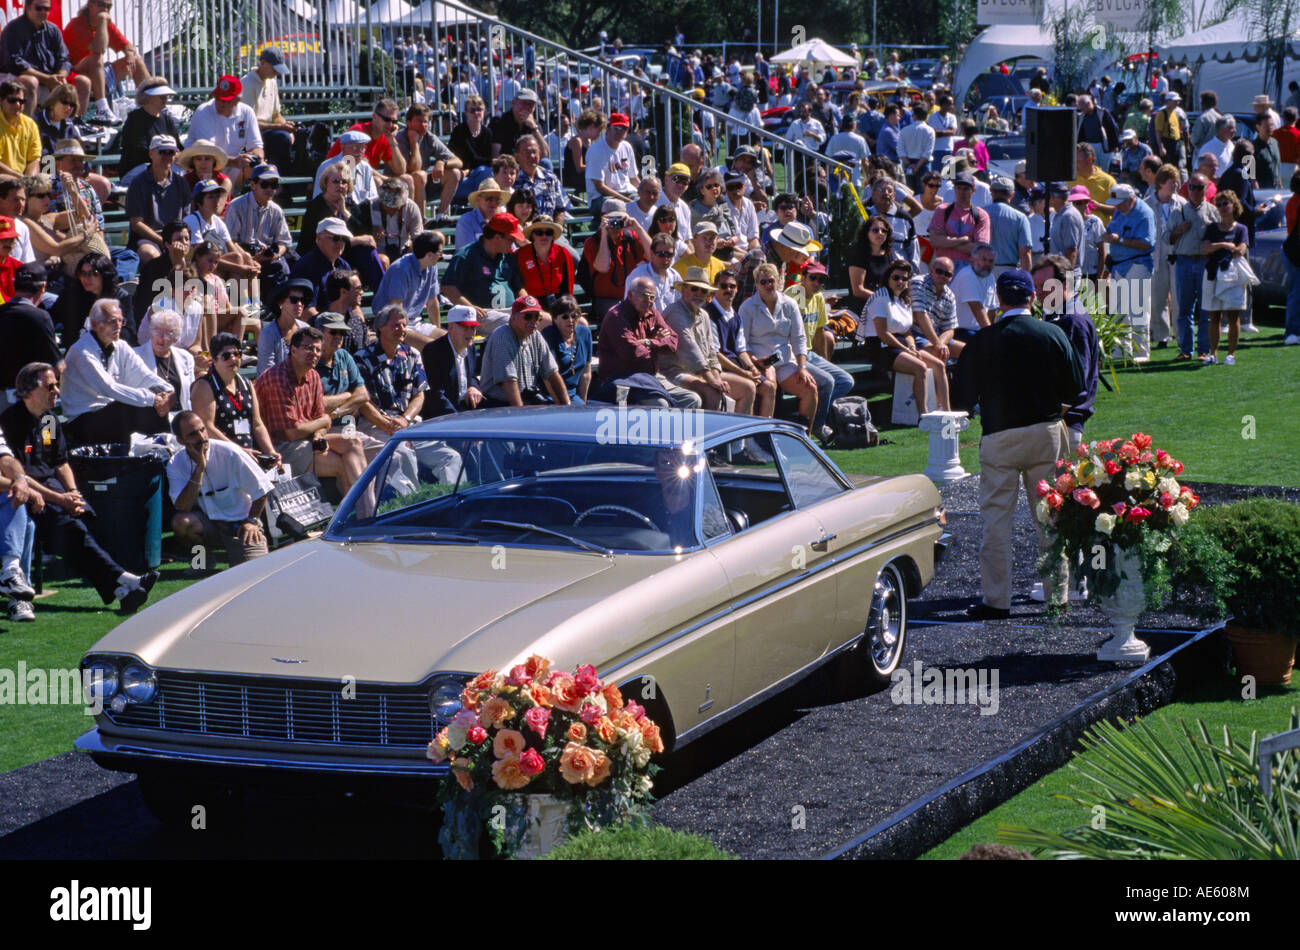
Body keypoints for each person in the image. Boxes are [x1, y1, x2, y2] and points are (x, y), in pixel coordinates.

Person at [952, 269, 1084, 619]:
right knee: (1051, 518)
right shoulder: (1053, 333)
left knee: (996, 521)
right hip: (1045, 433)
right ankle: (1058, 594)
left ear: (999, 297)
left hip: (999, 436)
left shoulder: (981, 341)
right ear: (1031, 297)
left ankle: (997, 600)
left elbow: (961, 398)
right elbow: (1075, 389)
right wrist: (1052, 413)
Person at [2, 360, 159, 613]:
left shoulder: (49, 421)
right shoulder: (11, 422)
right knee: (69, 527)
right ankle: (124, 580)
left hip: (53, 489)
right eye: (49, 386)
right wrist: (60, 499)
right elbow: (21, 476)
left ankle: (120, 589)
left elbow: (60, 462)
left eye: (57, 385)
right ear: (29, 391)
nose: (57, 391)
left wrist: (73, 493)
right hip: (30, 495)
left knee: (86, 517)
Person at [254, 326, 366, 490]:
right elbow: (292, 433)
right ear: (293, 350)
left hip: (305, 441)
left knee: (353, 442)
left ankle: (368, 510)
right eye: (308, 348)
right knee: (340, 464)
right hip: (278, 450)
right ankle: (358, 513)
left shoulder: (313, 376)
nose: (314, 353)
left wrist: (319, 435)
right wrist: (325, 420)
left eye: (318, 350)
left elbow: (321, 421)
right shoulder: (277, 378)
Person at [168, 410, 271, 568]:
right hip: (209, 524)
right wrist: (199, 469)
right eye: (193, 434)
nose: (202, 437)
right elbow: (183, 506)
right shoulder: (176, 463)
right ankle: (203, 563)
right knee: (182, 523)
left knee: (253, 572)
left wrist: (251, 521)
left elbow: (262, 490)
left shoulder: (230, 453)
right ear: (181, 441)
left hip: (241, 525)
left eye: (202, 429)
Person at [62, 298, 172, 445]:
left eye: (121, 321)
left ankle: (162, 451)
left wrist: (168, 392)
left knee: (155, 398)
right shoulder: (81, 351)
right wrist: (153, 399)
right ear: (94, 324)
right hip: (82, 419)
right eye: (112, 321)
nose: (118, 326)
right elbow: (109, 388)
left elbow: (145, 375)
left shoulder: (121, 346)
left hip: (109, 412)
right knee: (132, 406)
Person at [594, 276, 701, 408]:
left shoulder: (652, 313)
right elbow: (633, 354)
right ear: (630, 295)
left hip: (650, 377)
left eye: (652, 297)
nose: (648, 301)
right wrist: (659, 342)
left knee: (692, 399)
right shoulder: (616, 316)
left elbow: (673, 342)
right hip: (622, 380)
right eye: (644, 295)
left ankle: (675, 429)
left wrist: (649, 342)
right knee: (660, 404)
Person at [660, 267, 755, 414]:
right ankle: (709, 436)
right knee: (712, 392)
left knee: (748, 387)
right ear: (684, 289)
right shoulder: (675, 312)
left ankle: (740, 437)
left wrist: (716, 376)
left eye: (703, 291)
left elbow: (711, 351)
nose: (699, 294)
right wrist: (712, 380)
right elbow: (690, 350)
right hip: (675, 372)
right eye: (694, 289)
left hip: (701, 372)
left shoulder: (704, 314)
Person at [863, 258, 950, 417]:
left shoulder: (904, 300)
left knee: (938, 365)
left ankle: (946, 411)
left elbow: (907, 332)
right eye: (896, 277)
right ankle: (923, 415)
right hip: (880, 347)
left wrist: (911, 347)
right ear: (888, 278)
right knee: (920, 367)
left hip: (900, 345)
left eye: (904, 278)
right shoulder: (880, 298)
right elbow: (883, 334)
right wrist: (907, 350)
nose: (900, 281)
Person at [1032, 254, 1099, 453]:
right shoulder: (1056, 314)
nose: (1039, 292)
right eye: (1036, 286)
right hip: (1057, 421)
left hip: (1063, 424)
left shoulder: (1072, 320)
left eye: (1045, 285)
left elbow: (1077, 378)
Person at [739, 262, 818, 429]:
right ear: (756, 285)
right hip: (759, 363)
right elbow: (742, 344)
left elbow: (799, 338)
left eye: (771, 281)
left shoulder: (789, 304)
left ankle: (805, 437)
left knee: (810, 388)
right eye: (763, 282)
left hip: (784, 362)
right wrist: (755, 361)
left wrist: (802, 367)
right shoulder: (747, 307)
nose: (768, 285)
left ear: (778, 282)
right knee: (769, 383)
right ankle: (763, 436)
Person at [191, 331, 280, 465]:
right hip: (221, 456)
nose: (233, 359)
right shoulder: (204, 386)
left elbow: (257, 424)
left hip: (249, 455)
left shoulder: (246, 383)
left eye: (237, 354)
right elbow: (207, 428)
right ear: (214, 360)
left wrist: (270, 451)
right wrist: (240, 451)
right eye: (226, 356)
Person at [786, 261, 853, 438]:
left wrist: (824, 361)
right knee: (828, 381)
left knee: (846, 381)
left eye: (821, 280)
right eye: (813, 278)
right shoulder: (793, 295)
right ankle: (817, 426)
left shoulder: (818, 298)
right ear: (803, 278)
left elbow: (819, 332)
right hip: (793, 354)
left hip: (810, 354)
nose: (817, 283)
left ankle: (816, 417)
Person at [0, 1, 91, 119]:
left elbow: (64, 59)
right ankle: (27, 130)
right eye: (39, 8)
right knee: (31, 81)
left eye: (47, 9)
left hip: (49, 81)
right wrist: (47, 79)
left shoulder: (53, 30)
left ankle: (73, 126)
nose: (43, 12)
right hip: (13, 80)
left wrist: (60, 77)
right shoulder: (13, 29)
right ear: (28, 8)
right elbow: (15, 63)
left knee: (84, 82)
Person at [62, 0, 147, 122]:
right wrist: (102, 21)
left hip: (98, 75)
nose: (105, 10)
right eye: (101, 5)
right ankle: (103, 109)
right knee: (96, 58)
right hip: (76, 76)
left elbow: (129, 46)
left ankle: (152, 101)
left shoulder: (106, 24)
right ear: (90, 5)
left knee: (137, 60)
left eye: (109, 6)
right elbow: (99, 49)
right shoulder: (77, 24)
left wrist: (129, 54)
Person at [478, 295, 570, 407]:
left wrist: (566, 406)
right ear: (513, 317)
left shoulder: (535, 335)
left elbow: (552, 373)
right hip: (498, 406)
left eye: (537, 317)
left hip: (526, 402)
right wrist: (522, 418)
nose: (533, 321)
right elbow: (509, 383)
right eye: (527, 316)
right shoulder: (502, 336)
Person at [354, 304, 429, 438]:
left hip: (408, 423)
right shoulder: (362, 358)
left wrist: (405, 419)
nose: (402, 330)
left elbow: (419, 395)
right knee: (403, 454)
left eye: (404, 325)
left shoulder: (413, 354)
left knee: (448, 455)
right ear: (381, 328)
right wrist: (386, 425)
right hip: (374, 424)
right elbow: (363, 402)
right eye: (396, 325)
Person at [441, 211, 525, 322]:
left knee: (545, 320)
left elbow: (518, 288)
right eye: (511, 239)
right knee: (514, 324)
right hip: (481, 314)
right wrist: (470, 307)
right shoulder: (466, 255)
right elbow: (448, 287)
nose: (513, 242)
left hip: (509, 312)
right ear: (497, 237)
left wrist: (526, 304)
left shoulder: (508, 256)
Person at [1105, 183, 1156, 362]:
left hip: (1138, 263)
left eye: (1120, 203)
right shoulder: (1120, 211)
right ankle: (1120, 349)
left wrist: (1121, 240)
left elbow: (1147, 243)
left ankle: (1142, 352)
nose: (1117, 206)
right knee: (1119, 310)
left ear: (1131, 199)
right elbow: (1112, 228)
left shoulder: (1145, 213)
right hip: (1119, 265)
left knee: (1138, 310)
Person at [184, 75, 264, 190]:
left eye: (226, 100)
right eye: (218, 98)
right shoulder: (204, 111)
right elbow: (206, 153)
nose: (220, 103)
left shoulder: (247, 112)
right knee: (205, 164)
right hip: (204, 165)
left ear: (238, 100)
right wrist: (236, 162)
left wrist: (256, 158)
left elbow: (256, 146)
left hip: (231, 165)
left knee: (261, 169)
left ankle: (260, 205)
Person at [224, 162, 294, 287]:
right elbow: (230, 241)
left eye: (273, 185)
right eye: (265, 184)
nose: (270, 189)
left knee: (283, 267)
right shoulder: (236, 206)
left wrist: (275, 255)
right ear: (252, 185)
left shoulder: (276, 210)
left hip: (267, 256)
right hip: (242, 255)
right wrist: (252, 259)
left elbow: (283, 242)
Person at [1201, 189, 1249, 366]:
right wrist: (1224, 244)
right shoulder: (1212, 228)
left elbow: (1241, 250)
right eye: (1219, 204)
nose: (1222, 207)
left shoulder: (1241, 228)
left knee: (1232, 316)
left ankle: (1231, 354)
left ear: (1234, 205)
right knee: (1214, 317)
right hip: (1212, 273)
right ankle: (1213, 354)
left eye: (1225, 204)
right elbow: (1205, 248)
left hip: (1232, 275)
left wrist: (1230, 247)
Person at [582, 198, 651, 321]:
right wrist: (604, 234)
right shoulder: (593, 242)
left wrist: (638, 228)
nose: (615, 224)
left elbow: (653, 256)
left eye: (620, 219)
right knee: (618, 318)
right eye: (612, 219)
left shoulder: (631, 238)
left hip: (631, 297)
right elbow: (603, 267)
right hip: (605, 300)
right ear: (603, 218)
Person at [123, 134, 189, 261]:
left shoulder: (181, 183)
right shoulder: (138, 183)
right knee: (150, 254)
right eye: (162, 152)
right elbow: (137, 224)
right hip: (147, 240)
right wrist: (163, 242)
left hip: (177, 238)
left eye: (171, 152)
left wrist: (179, 241)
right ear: (151, 154)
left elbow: (186, 219)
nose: (167, 156)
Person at [0, 261, 59, 397]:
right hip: (28, 398)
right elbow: (57, 366)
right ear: (43, 287)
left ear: (15, 286)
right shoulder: (40, 317)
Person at [0, 428, 37, 620]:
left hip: (39, 483)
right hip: (36, 487)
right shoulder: (15, 419)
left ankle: (17, 592)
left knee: (27, 524)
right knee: (15, 497)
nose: (55, 396)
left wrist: (20, 480)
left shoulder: (50, 422)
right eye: (50, 393)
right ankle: (12, 576)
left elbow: (5, 459)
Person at [374, 230, 443, 328]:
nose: (441, 256)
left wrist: (439, 333)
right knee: (429, 343)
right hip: (391, 324)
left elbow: (432, 302)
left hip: (414, 320)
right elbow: (396, 310)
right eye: (440, 253)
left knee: (447, 341)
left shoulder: (431, 265)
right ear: (429, 255)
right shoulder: (401, 269)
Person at [421, 305, 482, 417]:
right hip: (443, 413)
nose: (470, 332)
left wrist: (473, 387)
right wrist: (456, 418)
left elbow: (472, 375)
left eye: (473, 327)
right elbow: (436, 393)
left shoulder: (471, 347)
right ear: (450, 327)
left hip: (466, 408)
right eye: (465, 327)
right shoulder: (433, 350)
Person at [133, 308, 195, 418]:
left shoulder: (186, 358)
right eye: (157, 331)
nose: (161, 338)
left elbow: (190, 396)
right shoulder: (135, 356)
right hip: (148, 418)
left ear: (175, 338)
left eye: (168, 333)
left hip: (181, 419)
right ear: (151, 332)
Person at [241, 47, 294, 172]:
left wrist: (288, 127)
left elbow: (276, 115)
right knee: (282, 138)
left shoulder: (272, 82)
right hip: (253, 135)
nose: (277, 73)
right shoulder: (247, 83)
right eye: (274, 68)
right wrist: (281, 128)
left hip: (268, 131)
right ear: (263, 63)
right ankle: (278, 177)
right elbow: (250, 124)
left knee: (302, 134)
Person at [117, 77, 181, 178]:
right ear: (149, 97)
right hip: (138, 170)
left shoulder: (167, 119)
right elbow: (140, 152)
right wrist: (168, 156)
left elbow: (178, 146)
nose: (165, 99)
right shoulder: (135, 119)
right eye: (161, 96)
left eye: (166, 96)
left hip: (163, 164)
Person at [928, 171, 990, 272]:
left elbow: (980, 250)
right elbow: (934, 241)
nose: (961, 193)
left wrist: (946, 241)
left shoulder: (981, 215)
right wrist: (963, 239)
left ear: (973, 191)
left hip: (969, 270)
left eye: (965, 189)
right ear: (954, 189)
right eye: (958, 188)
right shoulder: (942, 210)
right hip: (942, 269)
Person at [539, 294, 593, 405]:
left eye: (574, 316)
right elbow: (547, 377)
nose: (571, 320)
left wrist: (582, 402)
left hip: (573, 396)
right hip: (550, 397)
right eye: (565, 317)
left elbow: (586, 373)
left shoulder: (584, 333)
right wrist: (562, 405)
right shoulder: (548, 334)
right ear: (555, 318)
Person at [257, 276, 312, 375]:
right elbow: (266, 372)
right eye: (294, 300)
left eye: (302, 300)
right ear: (280, 303)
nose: (299, 304)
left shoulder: (306, 329)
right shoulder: (268, 334)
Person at [584, 111, 639, 202]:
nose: (620, 132)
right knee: (618, 206)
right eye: (617, 128)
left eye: (624, 129)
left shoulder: (627, 146)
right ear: (608, 129)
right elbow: (600, 187)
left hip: (628, 193)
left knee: (647, 203)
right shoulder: (595, 150)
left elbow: (633, 178)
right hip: (602, 197)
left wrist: (646, 192)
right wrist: (627, 201)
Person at [516, 215, 573, 300]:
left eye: (548, 232)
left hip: (558, 301)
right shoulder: (521, 254)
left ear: (553, 236)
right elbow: (517, 285)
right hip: (531, 303)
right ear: (532, 235)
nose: (544, 236)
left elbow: (568, 285)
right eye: (539, 232)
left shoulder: (563, 253)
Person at [986, 177, 1033, 276]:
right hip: (1010, 272)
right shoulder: (1020, 218)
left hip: (983, 271)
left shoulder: (980, 213)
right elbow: (1025, 253)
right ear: (1012, 194)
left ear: (992, 192)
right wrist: (1027, 281)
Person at [0, 79, 40, 179]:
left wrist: (30, 181)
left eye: (21, 101)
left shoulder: (30, 124)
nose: (18, 104)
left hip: (20, 180)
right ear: (1, 100)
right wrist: (22, 179)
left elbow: (34, 159)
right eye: (12, 100)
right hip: (4, 179)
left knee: (46, 182)